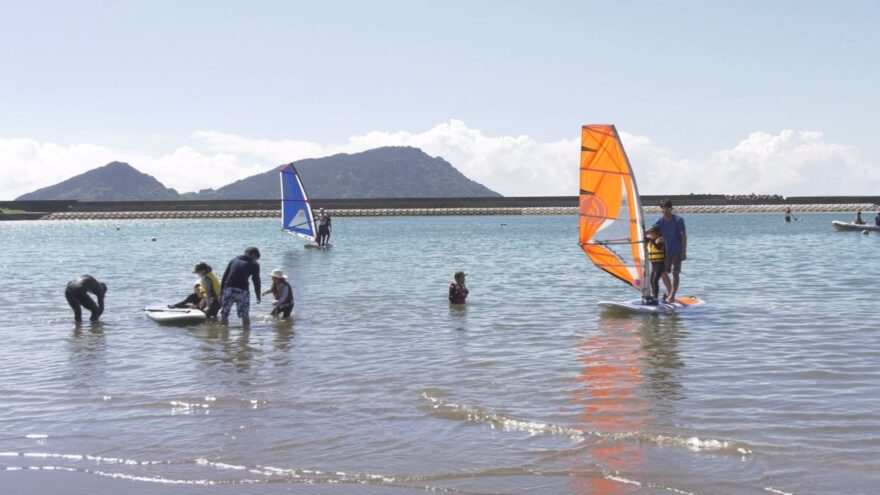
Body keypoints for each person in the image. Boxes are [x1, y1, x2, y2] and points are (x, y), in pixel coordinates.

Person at [653, 199, 687, 303]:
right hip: (665, 252)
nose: (665, 212)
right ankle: (669, 292)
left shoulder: (678, 220)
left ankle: (672, 295)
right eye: (663, 210)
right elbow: (652, 232)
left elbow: (684, 236)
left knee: (674, 272)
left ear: (671, 209)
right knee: (663, 272)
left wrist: (684, 252)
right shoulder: (660, 221)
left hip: (676, 250)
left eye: (667, 210)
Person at [219, 247, 262, 326]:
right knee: (245, 316)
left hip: (228, 289)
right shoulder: (254, 264)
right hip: (242, 291)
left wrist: (221, 293)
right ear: (253, 254)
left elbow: (224, 277)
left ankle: (223, 335)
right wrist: (258, 296)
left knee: (224, 315)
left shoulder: (234, 260)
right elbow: (256, 281)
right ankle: (245, 335)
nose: (256, 260)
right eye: (256, 258)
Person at [644, 226, 672, 305]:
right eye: (650, 233)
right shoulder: (650, 240)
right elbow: (642, 236)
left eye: (652, 233)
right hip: (654, 264)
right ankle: (654, 296)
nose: (650, 234)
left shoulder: (661, 239)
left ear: (657, 233)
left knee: (655, 281)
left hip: (660, 264)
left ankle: (655, 298)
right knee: (651, 281)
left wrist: (651, 240)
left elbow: (658, 247)